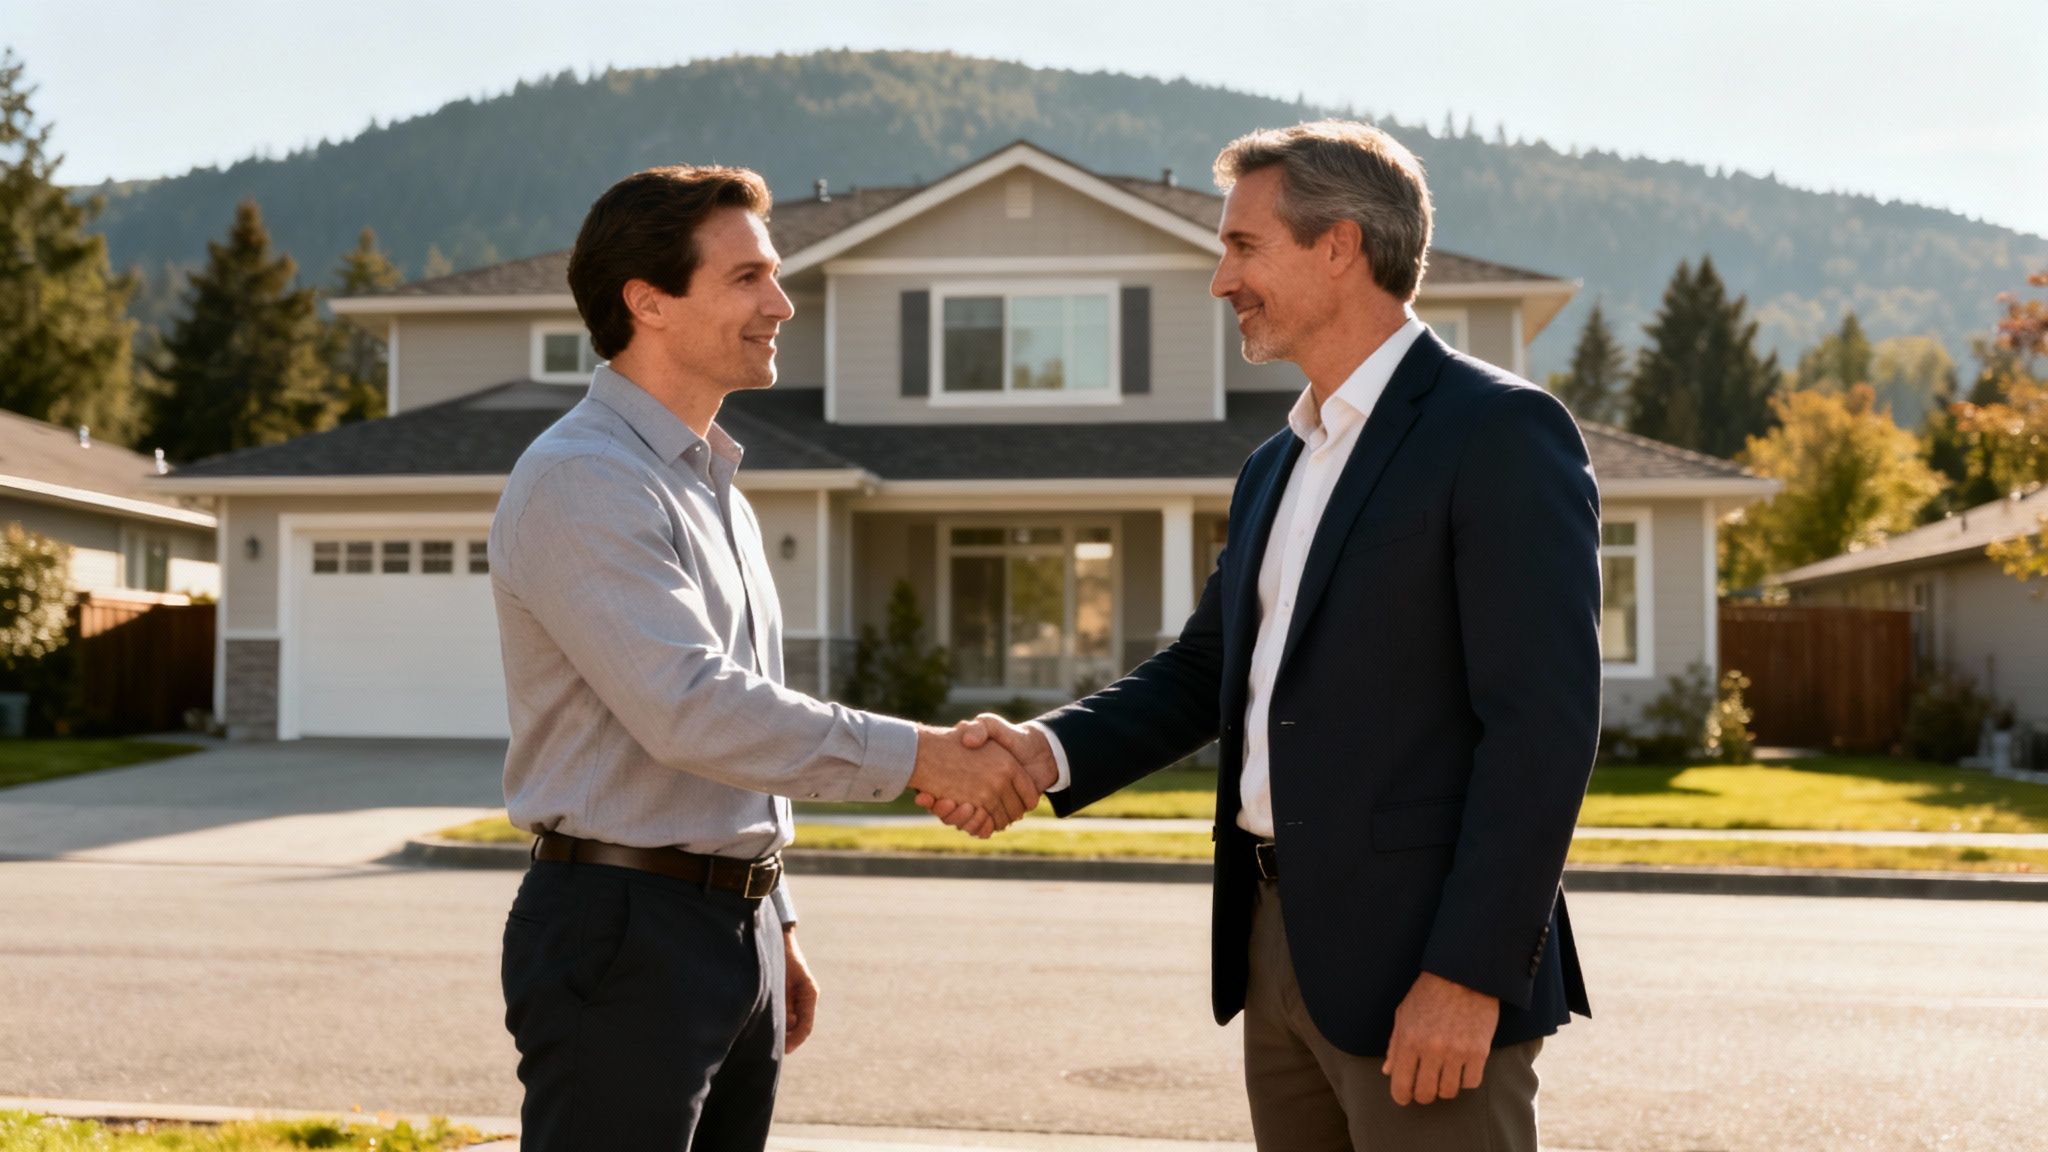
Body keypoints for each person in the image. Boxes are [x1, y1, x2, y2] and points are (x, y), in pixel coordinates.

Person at [932, 121, 1602, 1151]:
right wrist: (1043, 751)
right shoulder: (1273, 465)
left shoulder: (1496, 432)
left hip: (1423, 960)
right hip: (1273, 945)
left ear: (1338, 245)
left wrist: (1467, 972)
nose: (1219, 281)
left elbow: (1540, 729)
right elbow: (1205, 672)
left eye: (1243, 247)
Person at [490, 163, 1049, 1151]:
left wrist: (771, 916)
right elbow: (692, 709)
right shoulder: (583, 481)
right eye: (747, 277)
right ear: (646, 301)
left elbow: (750, 719)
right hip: (623, 932)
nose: (780, 304)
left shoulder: (716, 489)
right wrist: (927, 756)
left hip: (725, 926)